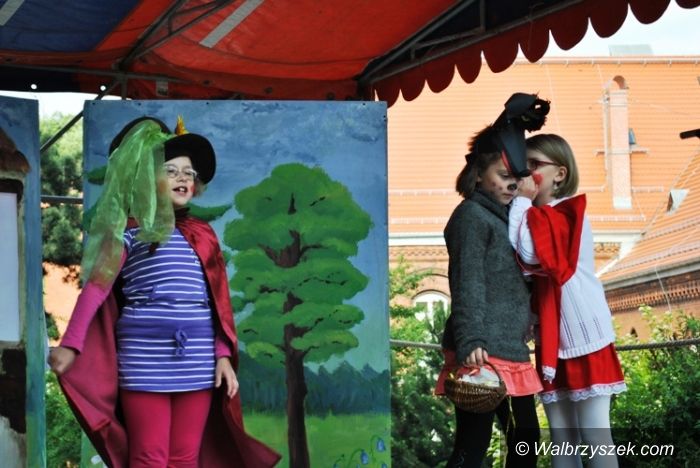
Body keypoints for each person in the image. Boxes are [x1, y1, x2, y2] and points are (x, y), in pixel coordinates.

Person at [48, 116, 280, 468]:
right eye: (171, 171)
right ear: (146, 179)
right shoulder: (129, 232)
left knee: (185, 457)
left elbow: (218, 304)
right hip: (144, 360)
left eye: (189, 173)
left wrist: (222, 356)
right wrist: (71, 344)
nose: (183, 178)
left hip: (197, 362)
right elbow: (96, 288)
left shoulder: (202, 235)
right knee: (149, 457)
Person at [509, 133, 627, 468]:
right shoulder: (537, 214)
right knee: (562, 438)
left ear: (560, 173)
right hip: (552, 339)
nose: (526, 173)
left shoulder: (566, 213)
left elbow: (531, 254)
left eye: (535, 164)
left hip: (584, 336)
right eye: (522, 166)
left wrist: (520, 202)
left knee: (595, 436)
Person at [435, 125, 542, 468]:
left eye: (517, 177)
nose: (512, 184)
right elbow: (466, 280)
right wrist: (470, 338)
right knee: (476, 444)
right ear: (478, 175)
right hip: (482, 349)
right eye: (503, 176)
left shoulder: (506, 218)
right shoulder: (471, 216)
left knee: (523, 439)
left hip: (506, 347)